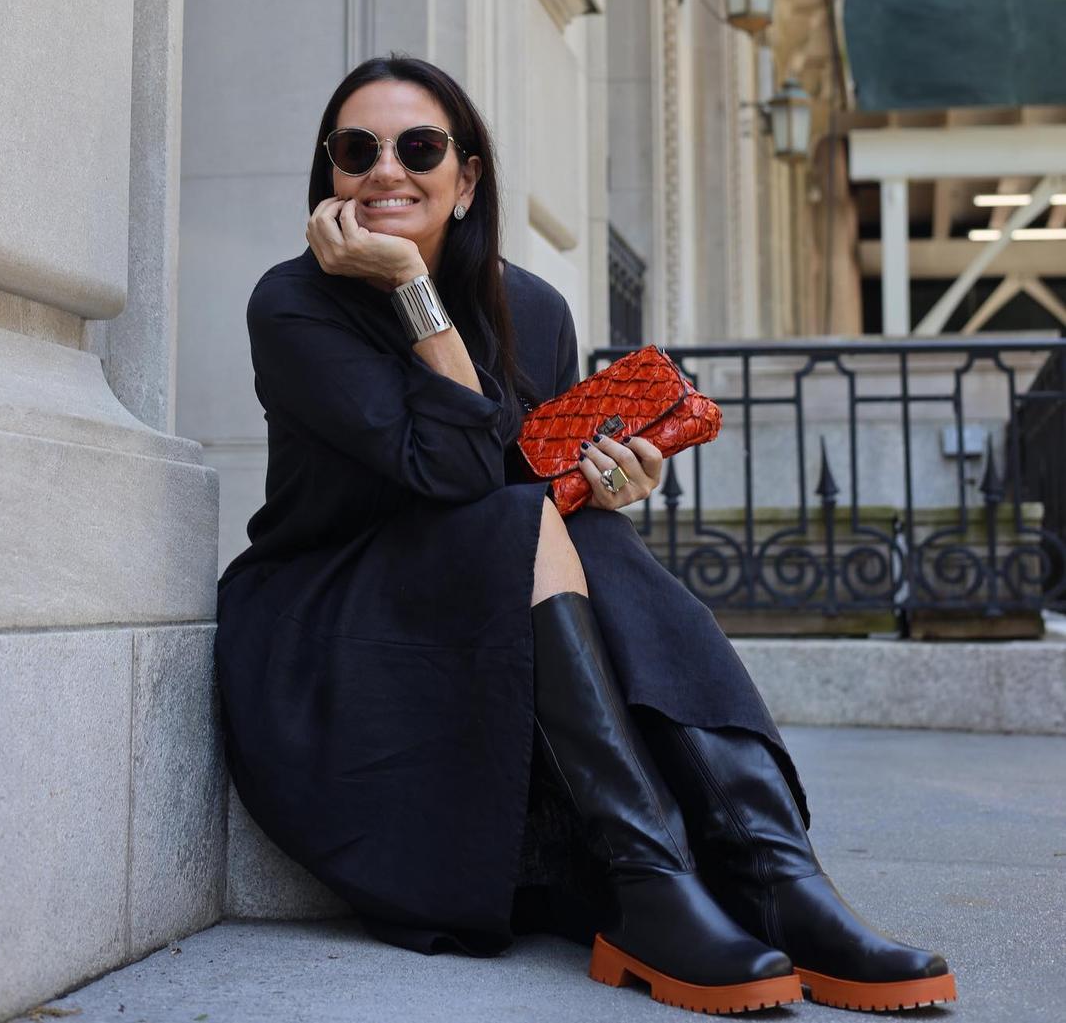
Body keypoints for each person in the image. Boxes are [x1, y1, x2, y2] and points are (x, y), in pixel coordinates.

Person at [213, 54, 957, 1014]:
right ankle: (650, 879)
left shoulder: (533, 308)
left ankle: (776, 871)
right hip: (330, 629)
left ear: (467, 176)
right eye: (358, 150)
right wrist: (409, 285)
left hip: (472, 613)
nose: (386, 170)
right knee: (519, 515)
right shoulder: (292, 302)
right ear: (329, 174)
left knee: (594, 534)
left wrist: (608, 487)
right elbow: (455, 473)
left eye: (421, 147)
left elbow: (524, 483)